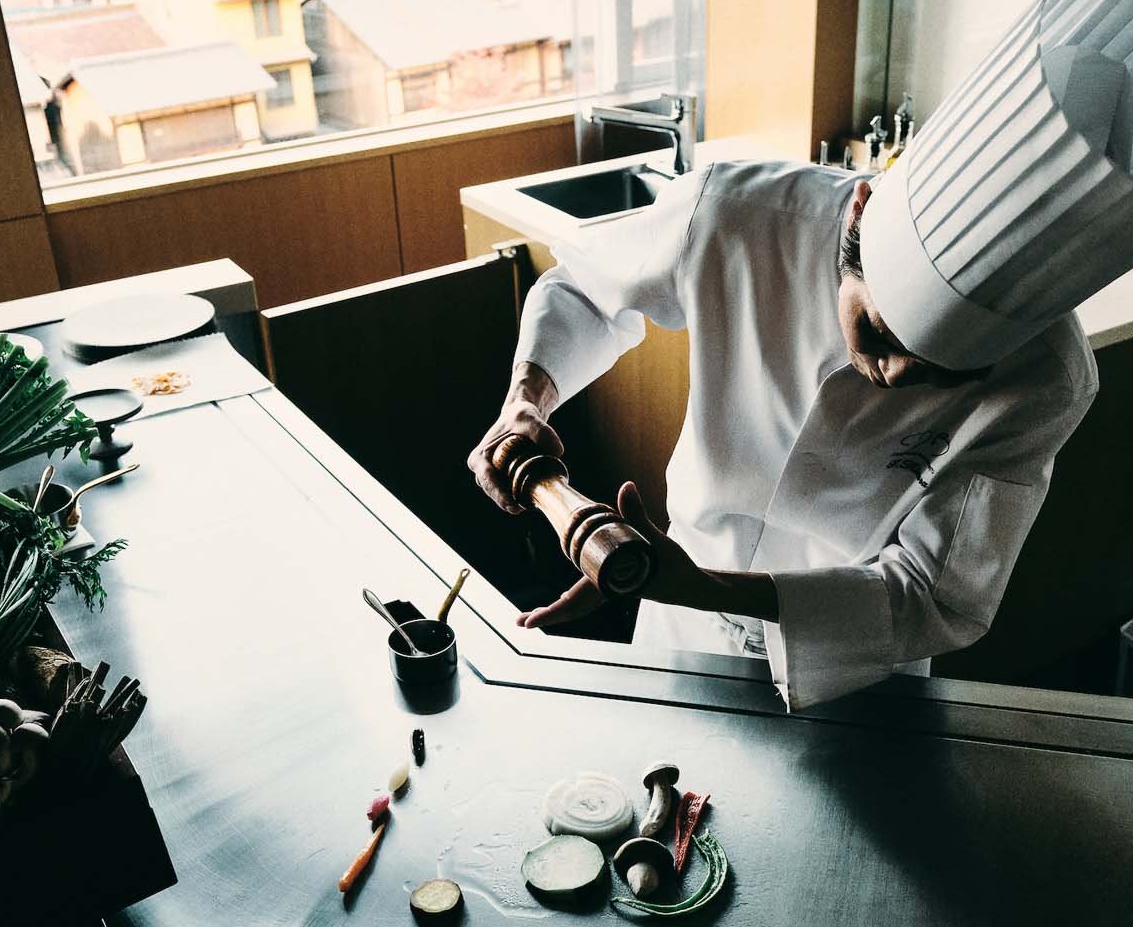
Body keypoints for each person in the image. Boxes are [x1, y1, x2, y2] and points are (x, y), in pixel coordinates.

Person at [466, 159, 1098, 711]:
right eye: (877, 330)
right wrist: (526, 401)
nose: (894, 372)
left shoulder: (1048, 377)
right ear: (859, 214)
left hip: (853, 658)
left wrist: (692, 583)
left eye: (945, 373)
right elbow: (584, 289)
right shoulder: (734, 215)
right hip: (684, 621)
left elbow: (934, 596)